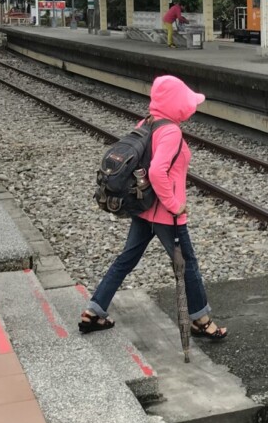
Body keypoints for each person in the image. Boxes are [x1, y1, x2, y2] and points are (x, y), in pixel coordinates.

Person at [80, 75, 227, 340]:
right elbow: (158, 172)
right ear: (177, 103)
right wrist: (174, 205)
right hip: (165, 215)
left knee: (126, 259)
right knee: (187, 265)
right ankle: (201, 322)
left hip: (143, 208)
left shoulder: (146, 123)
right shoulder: (171, 131)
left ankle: (94, 311)